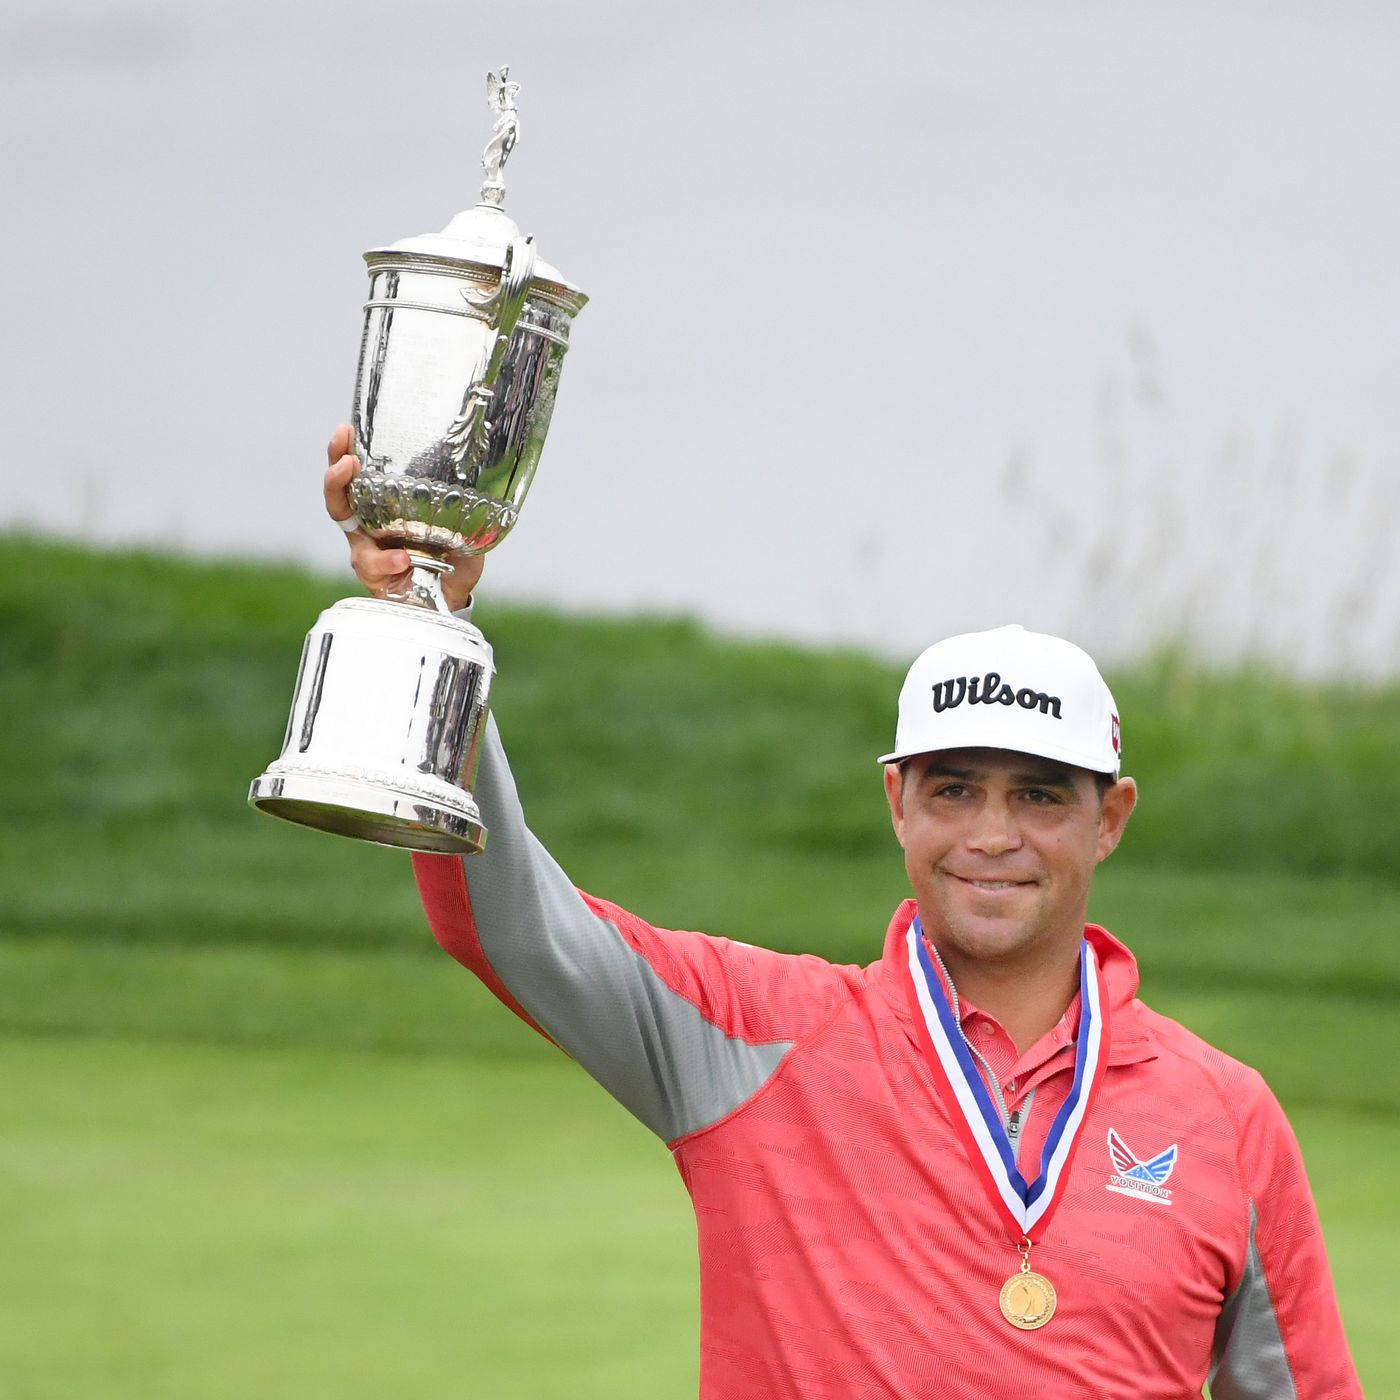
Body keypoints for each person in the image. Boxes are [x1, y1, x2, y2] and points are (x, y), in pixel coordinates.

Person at [323, 426, 1362, 1399]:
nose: (991, 833)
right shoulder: (743, 1032)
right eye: (953, 788)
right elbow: (506, 922)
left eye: (1039, 794)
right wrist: (431, 623)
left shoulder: (1226, 1114)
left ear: (1109, 817)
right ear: (896, 802)